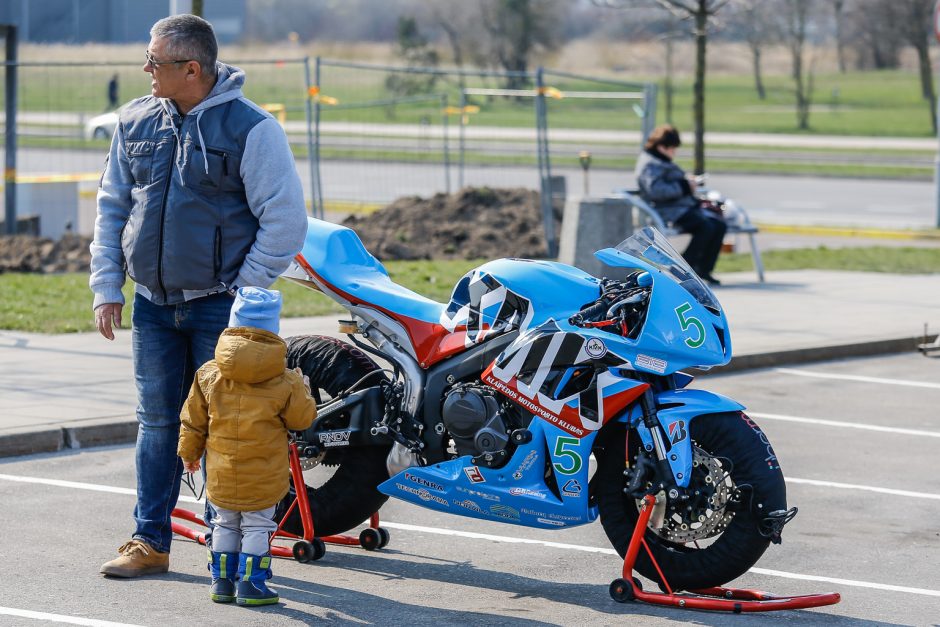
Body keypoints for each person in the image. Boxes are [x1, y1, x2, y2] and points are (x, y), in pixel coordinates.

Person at [90, 14, 308, 578]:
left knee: (230, 427)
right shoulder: (135, 121)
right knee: (158, 423)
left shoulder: (252, 128)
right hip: (153, 308)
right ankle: (149, 541)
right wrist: (106, 285)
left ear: (192, 69)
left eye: (154, 62)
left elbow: (283, 221)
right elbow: (112, 207)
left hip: (221, 310)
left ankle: (227, 545)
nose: (145, 70)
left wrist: (244, 295)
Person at [178, 287, 317, 605]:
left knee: (223, 521)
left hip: (221, 472)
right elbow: (302, 420)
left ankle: (222, 581)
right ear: (274, 329)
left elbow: (192, 419)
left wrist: (189, 453)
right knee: (257, 524)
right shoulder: (286, 380)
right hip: (265, 473)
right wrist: (304, 388)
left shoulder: (210, 373)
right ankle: (251, 584)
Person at [634, 124, 727, 286]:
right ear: (662, 146)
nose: (674, 152)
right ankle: (683, 269)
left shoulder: (660, 160)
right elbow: (656, 190)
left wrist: (687, 182)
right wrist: (684, 186)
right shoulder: (650, 164)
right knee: (705, 227)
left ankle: (704, 269)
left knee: (719, 225)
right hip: (668, 210)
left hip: (682, 208)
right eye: (672, 148)